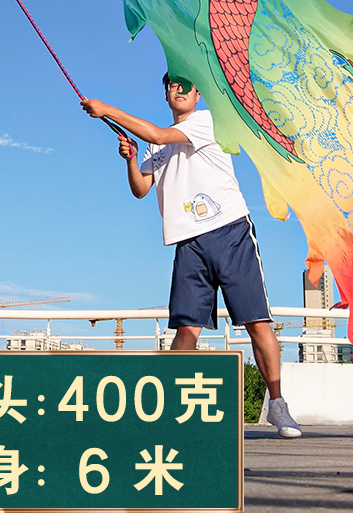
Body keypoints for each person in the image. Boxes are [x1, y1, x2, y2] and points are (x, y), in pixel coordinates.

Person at [81, 74, 302, 439]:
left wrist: (107, 110)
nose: (178, 90)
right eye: (172, 86)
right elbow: (140, 189)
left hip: (230, 231)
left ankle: (277, 405)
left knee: (256, 321)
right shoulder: (156, 146)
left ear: (197, 95)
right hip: (188, 242)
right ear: (166, 93)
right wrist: (132, 160)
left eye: (186, 86)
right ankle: (166, 414)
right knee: (186, 330)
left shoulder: (206, 121)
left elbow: (156, 134)